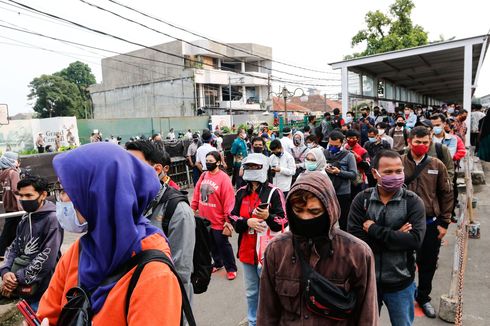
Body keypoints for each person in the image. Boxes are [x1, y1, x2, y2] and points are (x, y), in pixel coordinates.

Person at [35, 143, 185, 325]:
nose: (61, 199)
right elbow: (46, 315)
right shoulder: (79, 252)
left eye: (66, 190)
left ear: (99, 196)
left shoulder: (154, 276)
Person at [257, 172, 378, 325]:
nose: (305, 218)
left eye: (314, 212)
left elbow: (367, 316)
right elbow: (267, 313)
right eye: (298, 211)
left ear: (330, 210)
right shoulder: (276, 250)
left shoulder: (357, 253)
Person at [348, 150, 426, 325]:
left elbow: (414, 241)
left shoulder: (413, 202)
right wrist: (396, 236)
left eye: (399, 171)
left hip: (401, 283)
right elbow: (355, 242)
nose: (395, 176)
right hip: (367, 282)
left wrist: (374, 229)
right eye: (388, 172)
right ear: (375, 173)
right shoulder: (362, 200)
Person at [126, 140, 195, 304]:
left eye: (133, 166)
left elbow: (181, 272)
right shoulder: (127, 203)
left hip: (163, 302)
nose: (126, 172)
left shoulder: (178, 211)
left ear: (157, 169)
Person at [229, 154, 287, 326]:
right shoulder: (240, 192)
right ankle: (253, 321)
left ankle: (272, 321)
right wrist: (247, 222)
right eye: (249, 167)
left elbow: (283, 220)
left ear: (264, 168)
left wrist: (268, 216)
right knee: (251, 292)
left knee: (271, 291)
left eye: (256, 167)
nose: (251, 170)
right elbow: (232, 216)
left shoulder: (274, 193)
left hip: (268, 252)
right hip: (247, 250)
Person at [402, 126, 453, 318]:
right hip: (404, 224)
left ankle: (423, 297)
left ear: (429, 142)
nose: (422, 146)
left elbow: (447, 194)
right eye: (418, 142)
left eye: (425, 142)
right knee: (403, 261)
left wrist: (444, 222)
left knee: (428, 263)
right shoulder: (399, 162)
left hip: (430, 223)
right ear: (410, 142)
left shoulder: (437, 164)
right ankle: (405, 295)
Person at [0, 176, 63, 311]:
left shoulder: (52, 219)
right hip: (23, 286)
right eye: (20, 195)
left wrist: (17, 278)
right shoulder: (25, 217)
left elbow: (47, 258)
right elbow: (14, 246)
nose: (23, 200)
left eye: (29, 195)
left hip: (44, 287)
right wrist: (5, 272)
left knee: (40, 316)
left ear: (43, 195)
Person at [191, 151, 237, 280]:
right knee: (210, 244)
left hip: (218, 220)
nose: (208, 163)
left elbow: (228, 200)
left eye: (211, 161)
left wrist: (228, 219)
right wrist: (192, 208)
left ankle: (231, 268)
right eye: (207, 160)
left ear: (218, 162)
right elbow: (196, 193)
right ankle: (218, 263)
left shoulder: (224, 178)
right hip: (204, 219)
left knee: (222, 244)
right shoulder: (204, 175)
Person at [324, 131, 357, 230]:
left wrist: (338, 172)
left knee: (343, 220)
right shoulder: (324, 153)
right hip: (328, 191)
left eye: (336, 145)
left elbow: (353, 174)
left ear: (342, 143)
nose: (332, 147)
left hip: (343, 193)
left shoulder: (348, 155)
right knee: (327, 218)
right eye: (331, 145)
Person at [0, 152, 22, 259]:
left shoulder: (4, 172)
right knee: (14, 229)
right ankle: (2, 251)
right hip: (16, 206)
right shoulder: (13, 173)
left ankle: (8, 250)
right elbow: (16, 188)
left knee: (11, 229)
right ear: (11, 161)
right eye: (16, 159)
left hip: (8, 205)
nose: (18, 162)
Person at [344, 130, 370, 198]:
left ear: (357, 139)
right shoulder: (343, 148)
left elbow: (367, 166)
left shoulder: (363, 151)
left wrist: (358, 158)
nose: (351, 140)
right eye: (349, 138)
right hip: (345, 179)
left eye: (353, 138)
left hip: (358, 180)